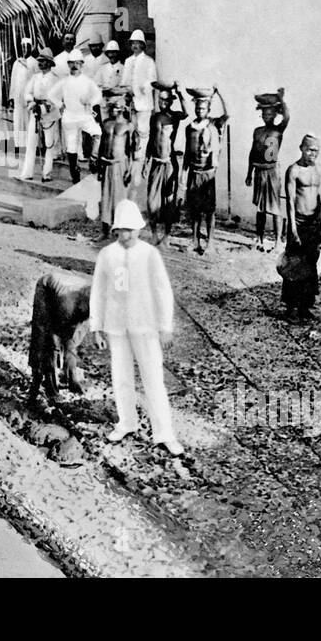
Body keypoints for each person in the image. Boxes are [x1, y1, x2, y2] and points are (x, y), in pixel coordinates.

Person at [89, 200, 184, 456]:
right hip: (117, 326)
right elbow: (98, 291)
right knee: (121, 377)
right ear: (115, 231)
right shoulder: (107, 255)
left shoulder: (149, 254)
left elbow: (163, 290)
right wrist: (96, 327)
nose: (127, 235)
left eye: (132, 229)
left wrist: (165, 326)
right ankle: (126, 423)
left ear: (140, 229)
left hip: (145, 325)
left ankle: (164, 433)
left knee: (153, 379)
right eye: (122, 230)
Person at [27, 271, 90, 403]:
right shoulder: (67, 304)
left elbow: (72, 341)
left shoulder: (91, 304)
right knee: (45, 338)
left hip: (70, 296)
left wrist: (73, 377)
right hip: (47, 288)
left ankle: (70, 378)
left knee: (72, 338)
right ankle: (47, 386)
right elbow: (54, 337)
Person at [279, 135, 321, 322]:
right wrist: (293, 229)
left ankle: (305, 307)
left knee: (310, 266)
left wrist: (320, 225)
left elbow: (317, 198)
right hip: (298, 222)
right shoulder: (293, 170)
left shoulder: (315, 170)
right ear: (301, 148)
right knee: (294, 267)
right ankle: (291, 308)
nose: (312, 153)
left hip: (313, 224)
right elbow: (290, 201)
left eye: (316, 150)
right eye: (309, 149)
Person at [184, 87, 229, 254]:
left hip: (208, 173)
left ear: (208, 109)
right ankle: (195, 241)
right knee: (194, 210)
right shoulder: (190, 127)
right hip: (194, 173)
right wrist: (183, 174)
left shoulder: (214, 124)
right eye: (197, 108)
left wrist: (219, 94)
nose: (199, 110)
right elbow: (188, 152)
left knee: (209, 211)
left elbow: (227, 114)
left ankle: (210, 242)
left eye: (203, 108)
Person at [245, 89, 289, 251]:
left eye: (270, 114)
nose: (267, 117)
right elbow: (252, 152)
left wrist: (281, 101)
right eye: (264, 114)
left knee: (275, 207)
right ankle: (259, 239)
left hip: (272, 171)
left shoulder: (278, 130)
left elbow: (287, 117)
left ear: (275, 115)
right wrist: (249, 173)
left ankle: (278, 242)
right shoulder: (257, 131)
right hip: (259, 171)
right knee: (260, 208)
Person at [51, 50, 103, 183]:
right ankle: (74, 171)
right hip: (70, 116)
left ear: (82, 64)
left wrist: (91, 102)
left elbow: (98, 95)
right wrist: (60, 104)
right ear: (68, 64)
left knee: (98, 133)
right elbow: (51, 94)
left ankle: (93, 159)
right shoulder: (64, 81)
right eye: (72, 63)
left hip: (85, 115)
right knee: (71, 146)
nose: (75, 65)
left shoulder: (87, 81)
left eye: (78, 63)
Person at [144, 82, 187, 245]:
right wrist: (146, 161)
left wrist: (180, 92)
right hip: (156, 163)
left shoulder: (174, 117)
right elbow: (151, 139)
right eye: (161, 101)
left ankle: (167, 236)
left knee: (169, 201)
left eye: (166, 101)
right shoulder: (154, 117)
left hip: (169, 163)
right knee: (152, 200)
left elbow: (187, 112)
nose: (163, 104)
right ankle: (154, 233)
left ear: (171, 102)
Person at [95, 92, 136, 236]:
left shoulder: (128, 126)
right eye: (112, 106)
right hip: (106, 164)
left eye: (117, 106)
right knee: (105, 197)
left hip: (120, 165)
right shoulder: (106, 123)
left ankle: (119, 230)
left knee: (120, 198)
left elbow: (131, 150)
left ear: (123, 108)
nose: (113, 109)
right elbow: (101, 146)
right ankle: (105, 231)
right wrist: (99, 166)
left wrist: (129, 170)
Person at [16, 50, 60, 182]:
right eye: (39, 60)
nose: (40, 63)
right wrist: (32, 102)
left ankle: (47, 173)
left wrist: (43, 108)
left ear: (49, 63)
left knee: (49, 144)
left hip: (49, 114)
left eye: (43, 61)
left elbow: (56, 99)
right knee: (31, 143)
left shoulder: (55, 79)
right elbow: (27, 92)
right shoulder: (35, 77)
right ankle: (27, 173)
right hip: (35, 112)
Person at [120, 30, 159, 164]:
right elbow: (124, 80)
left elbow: (152, 80)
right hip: (130, 102)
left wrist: (142, 88)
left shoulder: (149, 61)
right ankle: (131, 155)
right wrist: (126, 92)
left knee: (143, 130)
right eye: (133, 43)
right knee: (131, 129)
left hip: (143, 102)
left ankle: (141, 156)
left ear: (143, 45)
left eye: (138, 43)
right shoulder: (128, 61)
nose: (135, 46)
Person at [8, 38, 36, 165]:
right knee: (18, 120)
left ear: (31, 48)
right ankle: (19, 145)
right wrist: (12, 97)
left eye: (27, 47)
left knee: (29, 121)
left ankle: (29, 145)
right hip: (18, 98)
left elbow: (35, 79)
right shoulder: (16, 63)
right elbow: (13, 81)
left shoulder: (34, 62)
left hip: (28, 97)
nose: (25, 49)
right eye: (23, 47)